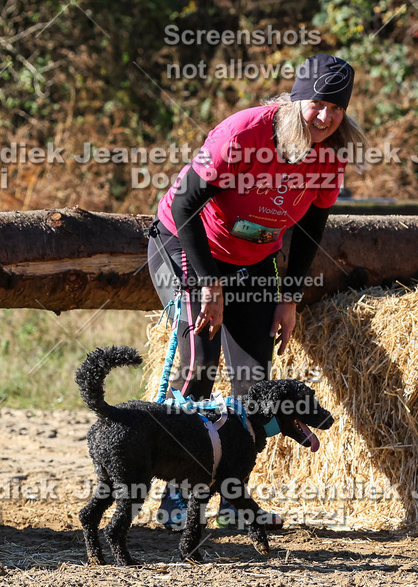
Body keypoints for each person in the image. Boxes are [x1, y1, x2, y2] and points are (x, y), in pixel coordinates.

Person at [147, 53, 368, 530]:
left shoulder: (331, 155)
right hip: (189, 242)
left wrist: (289, 297)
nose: (326, 117)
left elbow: (311, 228)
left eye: (337, 109)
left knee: (256, 388)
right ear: (297, 99)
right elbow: (186, 203)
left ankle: (233, 500)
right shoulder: (243, 133)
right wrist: (208, 286)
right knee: (201, 365)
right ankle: (177, 499)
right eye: (317, 105)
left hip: (252, 258)